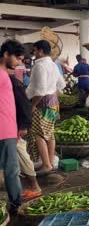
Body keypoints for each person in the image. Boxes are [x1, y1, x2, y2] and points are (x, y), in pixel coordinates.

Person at [5, 41, 42, 200]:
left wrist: (23, 125)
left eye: (21, 59)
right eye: (18, 58)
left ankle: (34, 186)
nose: (20, 62)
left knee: (20, 155)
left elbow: (25, 105)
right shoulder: (6, 77)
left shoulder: (12, 81)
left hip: (13, 126)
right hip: (8, 125)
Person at [26, 40, 65, 172]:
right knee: (50, 134)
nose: (34, 53)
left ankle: (47, 165)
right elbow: (62, 85)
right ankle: (50, 162)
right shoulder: (53, 65)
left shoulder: (40, 66)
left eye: (35, 50)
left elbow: (41, 91)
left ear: (41, 51)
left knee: (39, 134)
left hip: (42, 104)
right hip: (53, 103)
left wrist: (32, 105)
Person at [0, 40, 23, 213]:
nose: (19, 62)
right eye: (17, 58)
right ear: (6, 54)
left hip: (8, 128)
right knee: (11, 171)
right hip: (3, 130)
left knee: (10, 170)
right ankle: (16, 205)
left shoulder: (4, 74)